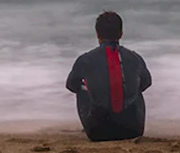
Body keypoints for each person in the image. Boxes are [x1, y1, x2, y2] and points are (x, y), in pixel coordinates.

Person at [65, 11, 152, 141]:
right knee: (137, 86)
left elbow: (71, 85)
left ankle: (93, 121)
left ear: (97, 34)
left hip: (97, 133)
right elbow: (147, 82)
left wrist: (93, 86)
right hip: (133, 130)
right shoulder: (135, 58)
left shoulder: (85, 59)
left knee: (80, 88)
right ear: (121, 34)